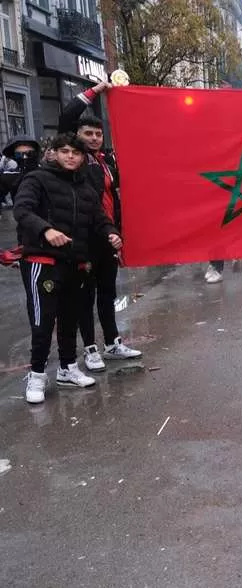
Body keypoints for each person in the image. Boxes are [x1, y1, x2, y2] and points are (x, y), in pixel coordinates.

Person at [15, 133, 122, 403]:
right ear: (54, 153)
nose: (70, 156)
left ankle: (67, 368)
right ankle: (36, 375)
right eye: (64, 151)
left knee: (69, 320)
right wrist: (46, 230)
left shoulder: (86, 187)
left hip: (75, 262)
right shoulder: (37, 179)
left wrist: (111, 233)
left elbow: (99, 218)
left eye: (75, 152)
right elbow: (22, 210)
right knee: (43, 322)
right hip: (43, 261)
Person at [58, 81, 142, 369]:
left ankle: (112, 343)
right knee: (85, 296)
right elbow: (67, 116)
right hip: (83, 237)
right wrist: (96, 91)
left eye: (97, 134)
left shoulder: (107, 161)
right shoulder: (77, 160)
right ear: (77, 137)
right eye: (88, 134)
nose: (94, 138)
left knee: (108, 293)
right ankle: (90, 349)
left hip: (107, 235)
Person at [0, 137, 42, 202]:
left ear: (35, 154)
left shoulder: (45, 172)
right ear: (13, 156)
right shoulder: (9, 176)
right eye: (19, 155)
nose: (24, 157)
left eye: (29, 154)